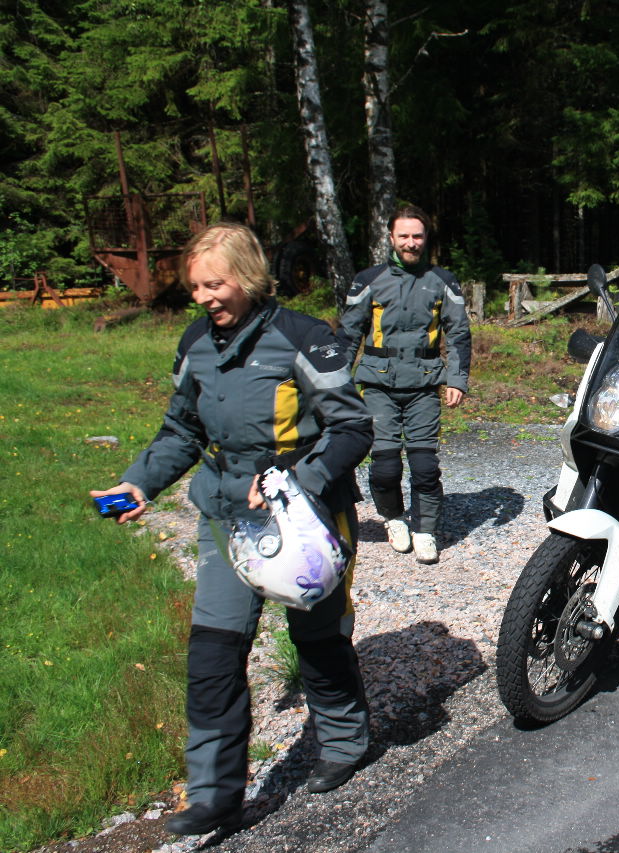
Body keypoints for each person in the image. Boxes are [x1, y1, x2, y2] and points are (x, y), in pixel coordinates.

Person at [90, 222, 373, 837]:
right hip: (226, 517)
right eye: (195, 287)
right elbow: (181, 430)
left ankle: (345, 743)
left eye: (214, 285)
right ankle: (215, 795)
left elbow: (353, 427)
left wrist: (293, 482)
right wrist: (139, 483)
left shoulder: (303, 336)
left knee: (318, 638)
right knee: (213, 652)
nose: (203, 298)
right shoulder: (196, 342)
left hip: (306, 514)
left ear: (247, 277)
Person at [339, 203, 471, 564]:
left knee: (425, 466)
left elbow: (459, 334)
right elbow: (349, 334)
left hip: (424, 386)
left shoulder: (443, 281)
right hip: (377, 385)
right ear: (391, 238)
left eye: (417, 236)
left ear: (426, 238)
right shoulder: (368, 280)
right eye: (404, 236)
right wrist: (336, 383)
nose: (411, 242)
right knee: (385, 466)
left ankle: (425, 530)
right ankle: (394, 518)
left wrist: (457, 379)